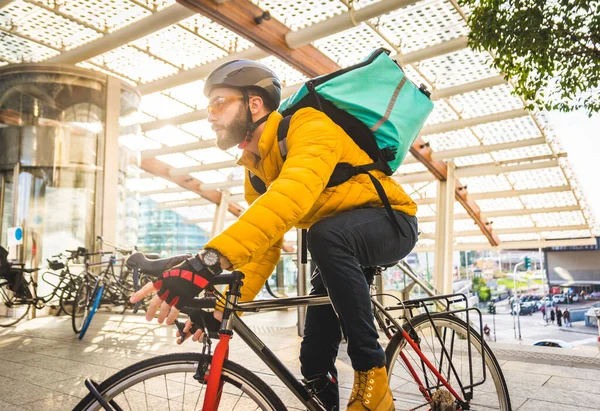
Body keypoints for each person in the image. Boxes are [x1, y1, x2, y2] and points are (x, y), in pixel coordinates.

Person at [131, 59, 418, 411]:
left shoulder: (310, 126)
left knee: (324, 236)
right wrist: (221, 309)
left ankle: (372, 372)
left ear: (254, 104)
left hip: (391, 222)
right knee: (312, 359)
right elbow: (263, 244)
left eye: (219, 103)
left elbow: (290, 199)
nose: (210, 115)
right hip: (337, 247)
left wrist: (204, 264)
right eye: (209, 106)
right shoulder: (255, 173)